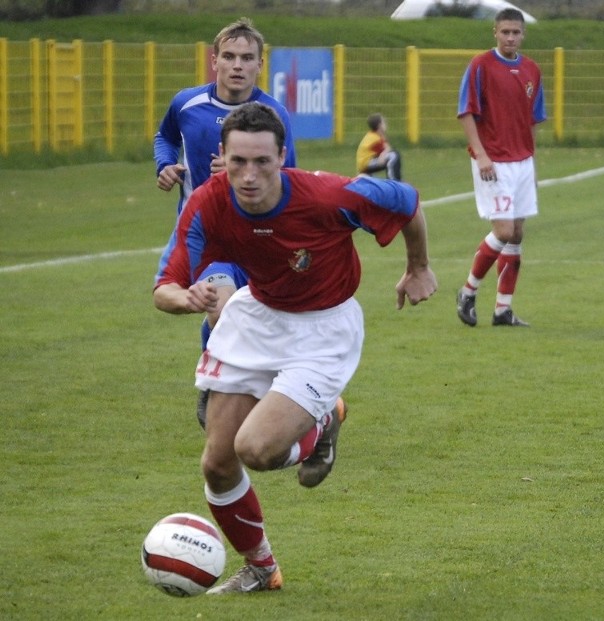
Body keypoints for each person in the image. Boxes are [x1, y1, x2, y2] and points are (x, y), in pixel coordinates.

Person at [153, 102, 438, 594]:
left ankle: (323, 418)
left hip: (324, 330)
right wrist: (187, 297)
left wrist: (418, 267)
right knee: (218, 464)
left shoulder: (329, 195)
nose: (249, 174)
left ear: (282, 156)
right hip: (257, 317)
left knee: (256, 450)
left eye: (262, 161)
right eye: (238, 161)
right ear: (221, 156)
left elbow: (406, 200)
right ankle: (262, 569)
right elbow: (165, 287)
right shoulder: (207, 202)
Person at [153, 18, 296, 426]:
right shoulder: (187, 104)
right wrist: (165, 164)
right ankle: (215, 387)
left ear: (260, 65)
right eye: (229, 56)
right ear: (214, 61)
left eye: (247, 58)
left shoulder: (274, 114)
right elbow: (164, 136)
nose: (237, 65)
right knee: (223, 309)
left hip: (259, 236)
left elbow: (291, 176)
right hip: (207, 234)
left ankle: (228, 380)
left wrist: (242, 173)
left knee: (257, 319)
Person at [455, 8, 546, 327]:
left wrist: (532, 165)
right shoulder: (480, 65)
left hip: (521, 162)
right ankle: (467, 291)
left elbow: (533, 121)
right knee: (503, 230)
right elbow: (466, 112)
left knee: (517, 232)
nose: (510, 37)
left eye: (516, 32)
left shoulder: (532, 70)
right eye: (505, 31)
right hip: (493, 160)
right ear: (495, 32)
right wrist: (480, 155)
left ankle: (503, 309)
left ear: (523, 34)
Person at [356, 113, 402, 181]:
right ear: (380, 125)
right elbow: (386, 152)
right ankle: (394, 182)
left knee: (392, 154)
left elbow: (387, 149)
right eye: (384, 122)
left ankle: (395, 181)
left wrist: (384, 152)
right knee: (393, 155)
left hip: (366, 163)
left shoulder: (376, 135)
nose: (386, 124)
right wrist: (384, 153)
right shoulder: (375, 139)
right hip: (365, 164)